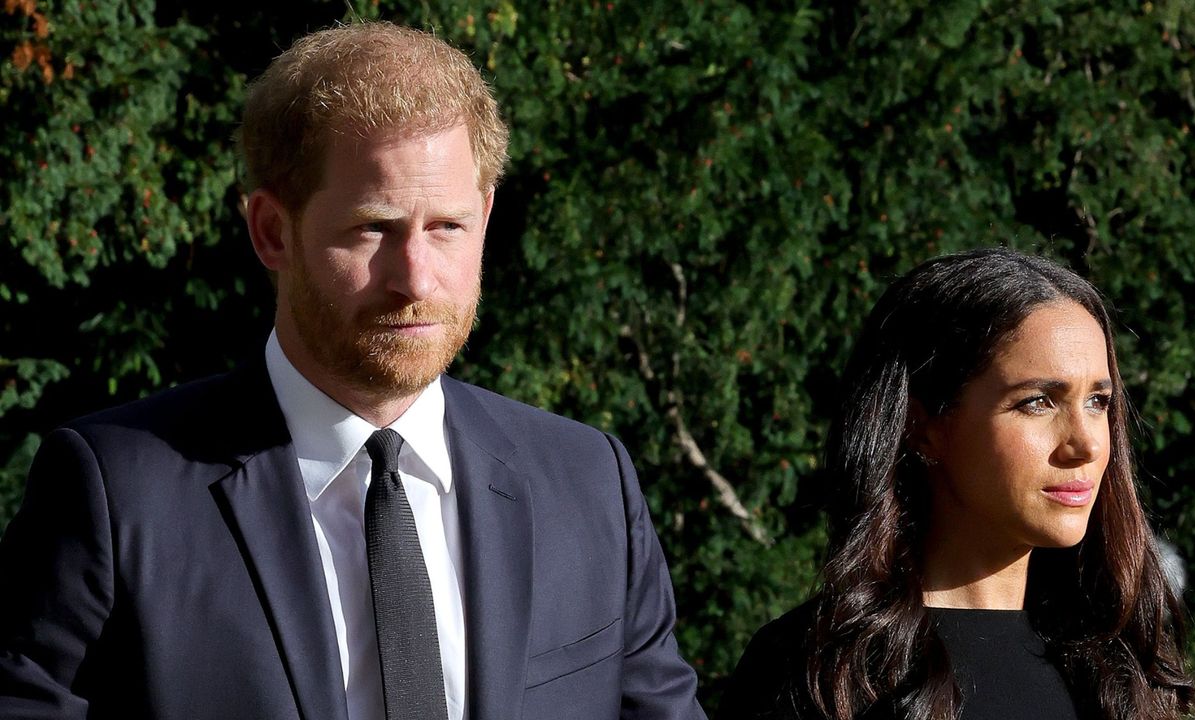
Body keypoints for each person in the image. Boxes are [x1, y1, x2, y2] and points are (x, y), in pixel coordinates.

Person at [0, 22, 706, 720]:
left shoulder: (587, 484)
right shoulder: (116, 494)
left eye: (447, 227)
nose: (416, 279)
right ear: (272, 231)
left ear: (485, 218)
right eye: (374, 228)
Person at [719, 248, 1195, 720]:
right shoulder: (821, 672)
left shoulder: (1123, 666)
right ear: (925, 425)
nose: (1085, 444)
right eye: (1038, 401)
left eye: (1098, 402)